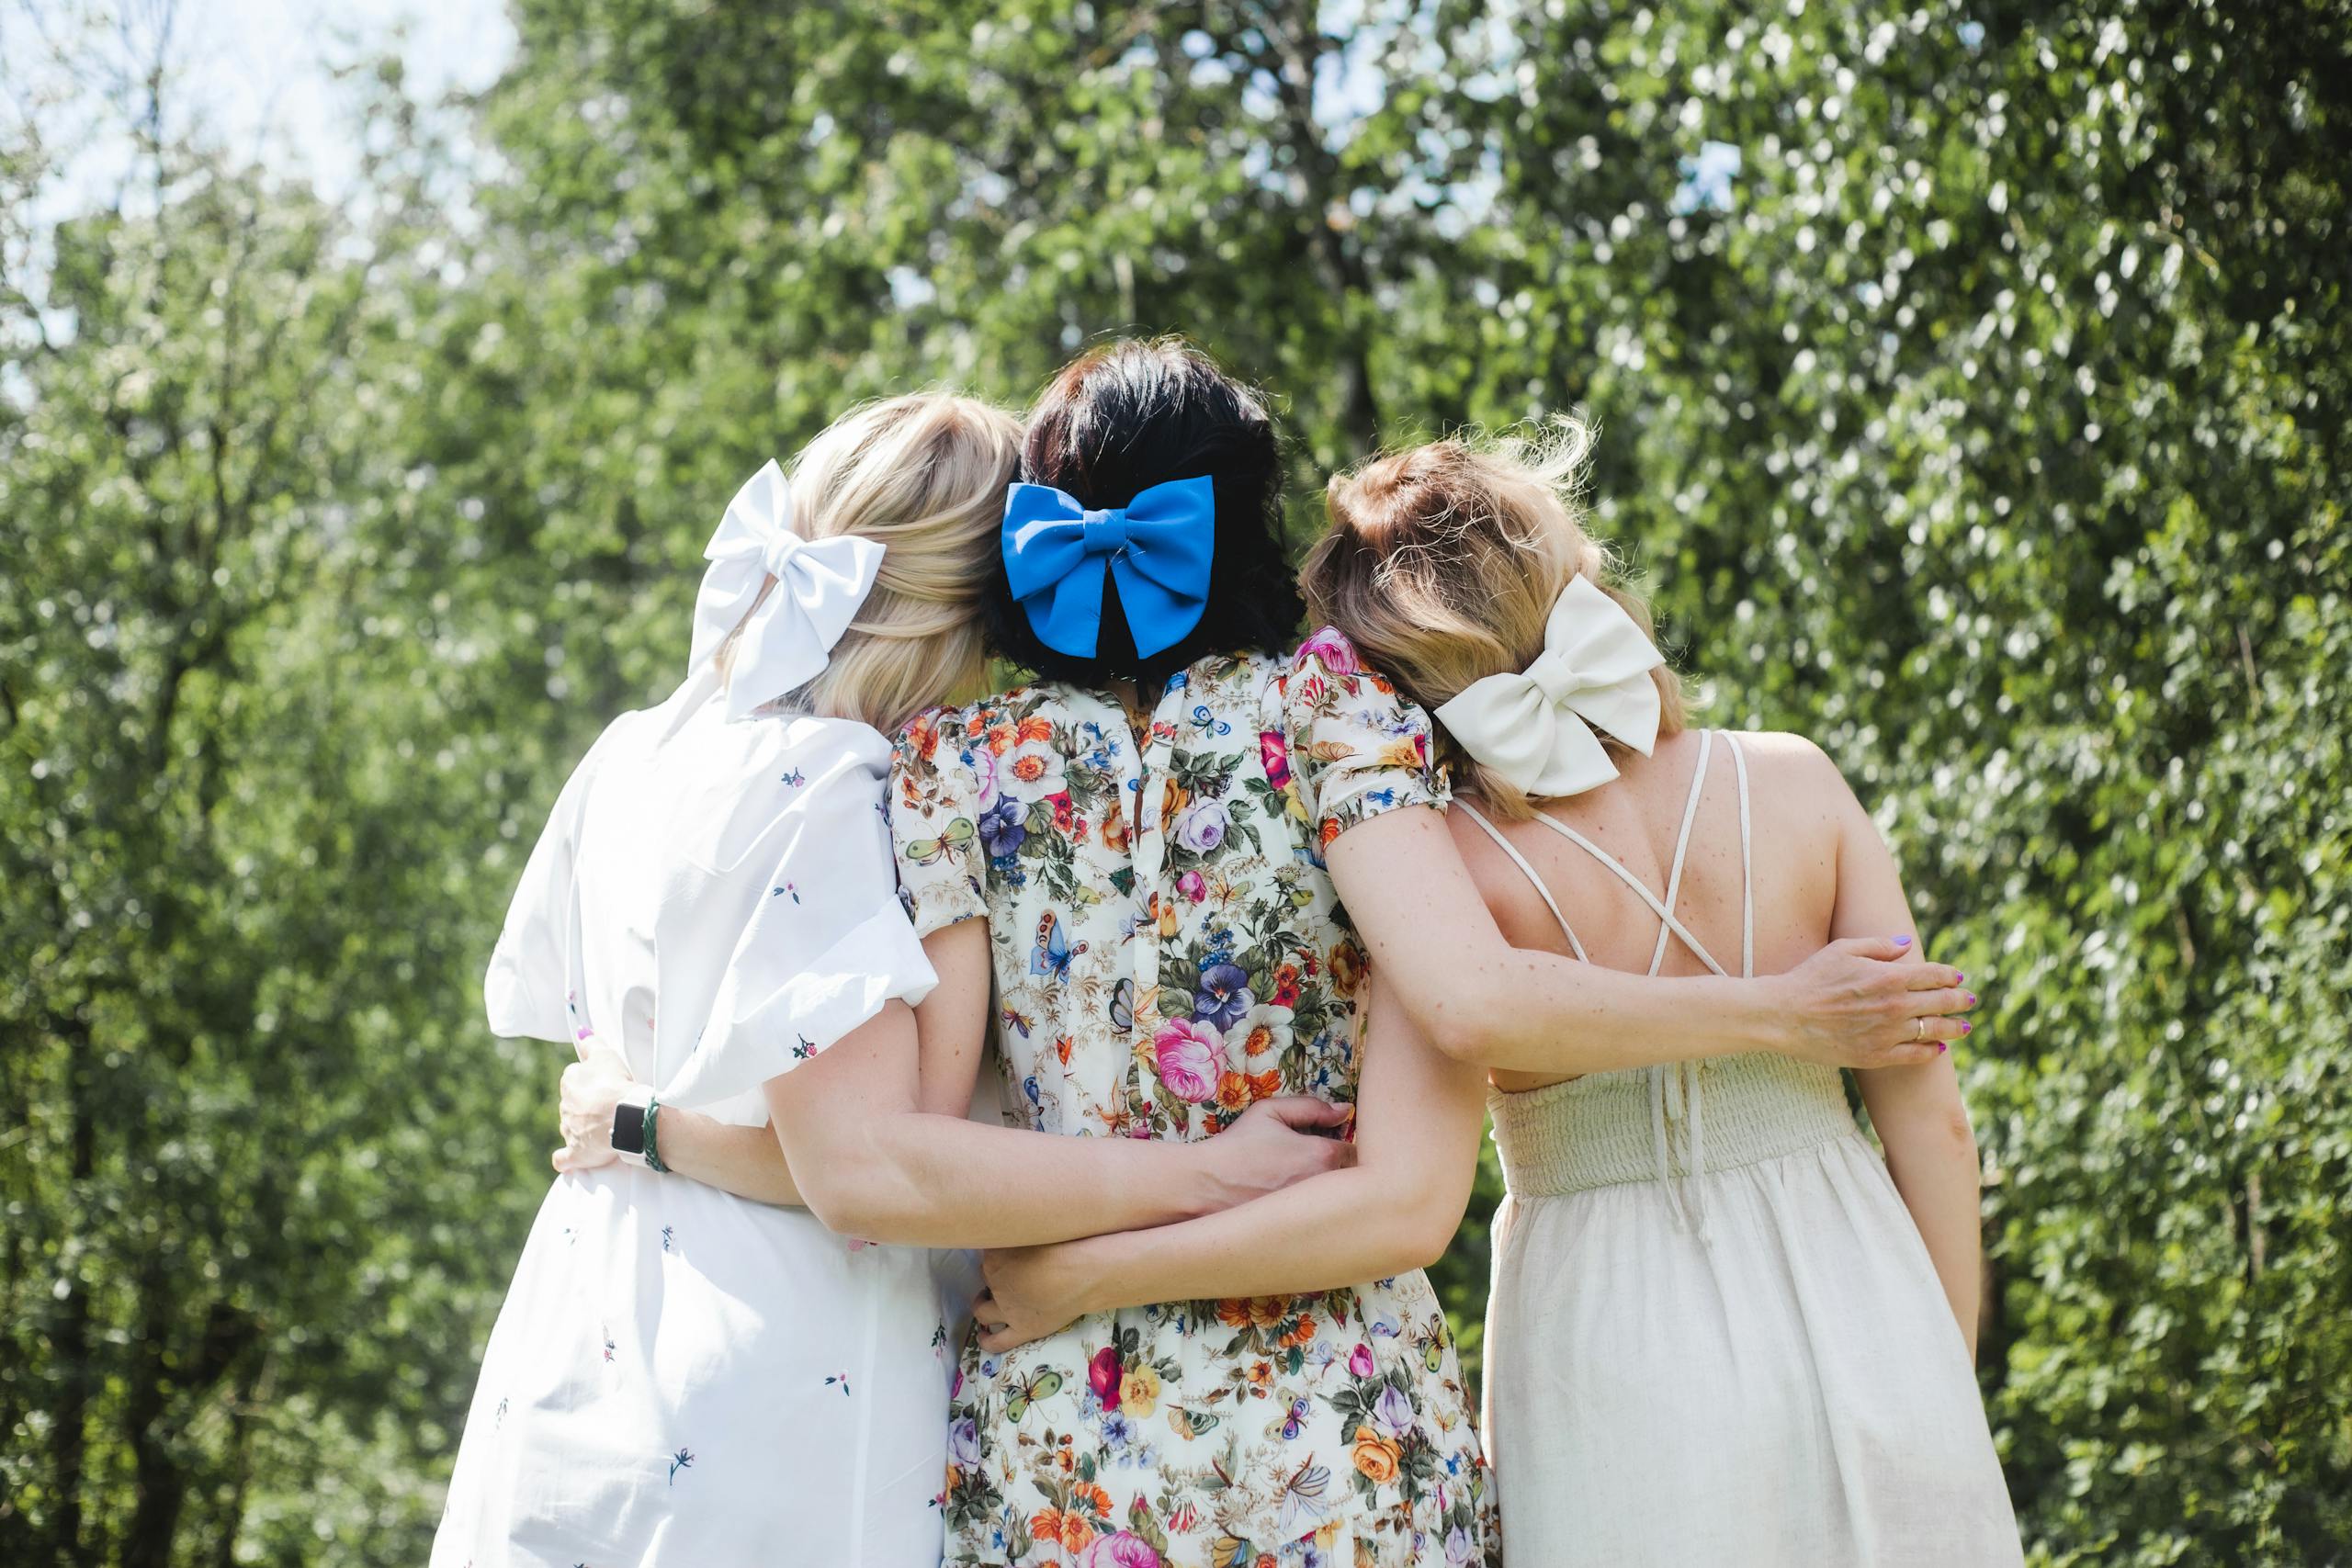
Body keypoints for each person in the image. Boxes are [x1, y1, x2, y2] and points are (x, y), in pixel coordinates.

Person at [890, 340, 1973, 1565]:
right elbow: (1429, 1134)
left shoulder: (943, 765)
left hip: (1065, 1436)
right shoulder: (1337, 717)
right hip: (1338, 1438)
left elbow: (924, 1149)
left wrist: (664, 1133)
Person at [475, 390, 1353, 1568]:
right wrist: (1201, 1171)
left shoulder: (636, 748)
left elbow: (621, 1058)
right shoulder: (834, 787)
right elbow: (869, 1166)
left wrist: (644, 1128)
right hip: (784, 1355)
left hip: (589, 1328)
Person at [1290, 423, 2023, 1565]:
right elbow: (1931, 1115)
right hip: (1866, 1297)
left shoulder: (1443, 874)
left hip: (1606, 1335)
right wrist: (1940, 1374)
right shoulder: (1796, 778)